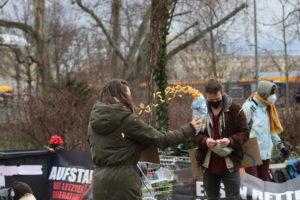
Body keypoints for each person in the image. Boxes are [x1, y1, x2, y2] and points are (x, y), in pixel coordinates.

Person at [87, 79, 202, 200]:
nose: (130, 99)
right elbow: (163, 140)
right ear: (120, 97)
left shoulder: (92, 122)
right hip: (124, 183)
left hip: (99, 182)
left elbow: (100, 145)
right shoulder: (128, 120)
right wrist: (190, 128)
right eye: (127, 95)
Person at [192, 79, 249, 200]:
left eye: (216, 99)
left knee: (233, 197)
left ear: (222, 92)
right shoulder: (200, 110)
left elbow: (244, 133)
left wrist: (230, 141)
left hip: (231, 163)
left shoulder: (235, 109)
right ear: (206, 95)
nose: (214, 102)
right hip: (208, 164)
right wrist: (205, 141)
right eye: (210, 100)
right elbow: (194, 134)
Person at [242, 80, 290, 181]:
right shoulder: (249, 107)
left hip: (265, 150)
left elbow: (270, 130)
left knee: (264, 182)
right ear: (264, 93)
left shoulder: (268, 107)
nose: (274, 96)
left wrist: (280, 146)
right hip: (250, 150)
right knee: (253, 184)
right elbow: (240, 129)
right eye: (272, 93)